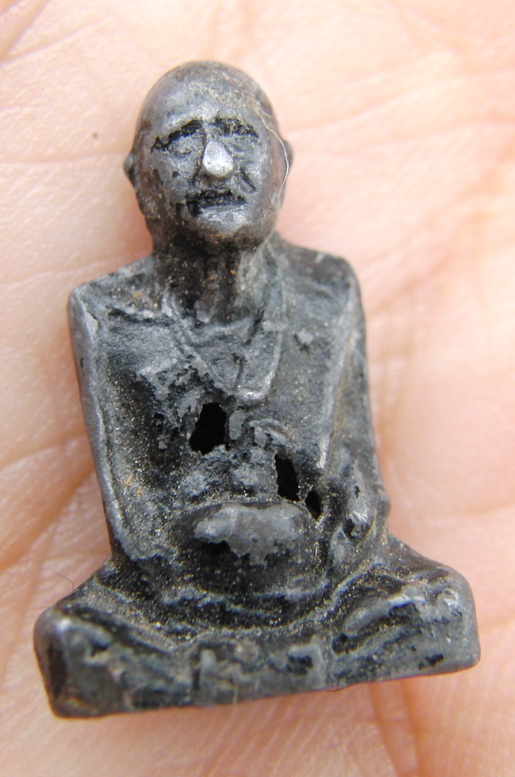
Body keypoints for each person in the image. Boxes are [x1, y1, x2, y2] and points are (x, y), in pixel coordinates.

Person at [34, 62, 478, 717]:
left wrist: (329, 543)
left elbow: (356, 481)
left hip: (326, 575)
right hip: (184, 590)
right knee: (77, 639)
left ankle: (260, 651)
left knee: (436, 601)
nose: (214, 165)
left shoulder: (326, 290)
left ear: (282, 161)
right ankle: (263, 651)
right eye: (180, 141)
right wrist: (213, 550)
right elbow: (135, 526)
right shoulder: (111, 316)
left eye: (239, 135)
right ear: (139, 178)